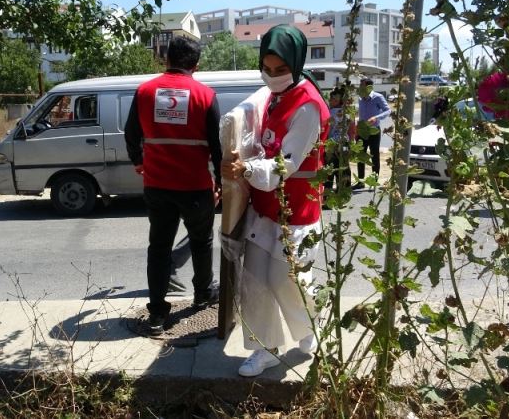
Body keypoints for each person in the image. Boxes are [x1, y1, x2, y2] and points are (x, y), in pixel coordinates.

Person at [221, 24, 330, 377]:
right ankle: (264, 348)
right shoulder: (272, 97)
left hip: (297, 210)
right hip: (265, 208)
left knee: (287, 280)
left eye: (280, 70)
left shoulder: (309, 106)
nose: (272, 76)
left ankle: (311, 326)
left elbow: (285, 164)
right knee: (254, 279)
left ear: (296, 64)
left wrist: (246, 168)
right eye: (266, 69)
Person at [124, 36, 222, 335]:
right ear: (196, 65)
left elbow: (131, 133)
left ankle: (156, 314)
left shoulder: (144, 91)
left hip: (158, 185)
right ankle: (203, 294)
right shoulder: (205, 95)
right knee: (201, 243)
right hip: (195, 187)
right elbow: (217, 146)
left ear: (166, 59)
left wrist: (139, 162)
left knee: (160, 247)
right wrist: (220, 181)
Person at [354, 78, 390, 190]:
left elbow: (388, 110)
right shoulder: (360, 98)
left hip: (374, 130)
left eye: (362, 85)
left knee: (374, 156)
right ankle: (360, 181)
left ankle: (374, 181)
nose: (360, 87)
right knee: (360, 156)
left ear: (369, 86)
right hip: (361, 130)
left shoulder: (378, 97)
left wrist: (376, 117)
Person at [324, 87, 355, 193]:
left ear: (337, 100)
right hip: (345, 143)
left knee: (330, 170)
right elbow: (352, 131)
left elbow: (325, 131)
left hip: (331, 144)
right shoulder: (349, 112)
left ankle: (327, 196)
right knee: (344, 168)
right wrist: (352, 144)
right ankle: (343, 194)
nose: (330, 101)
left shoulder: (328, 113)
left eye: (332, 99)